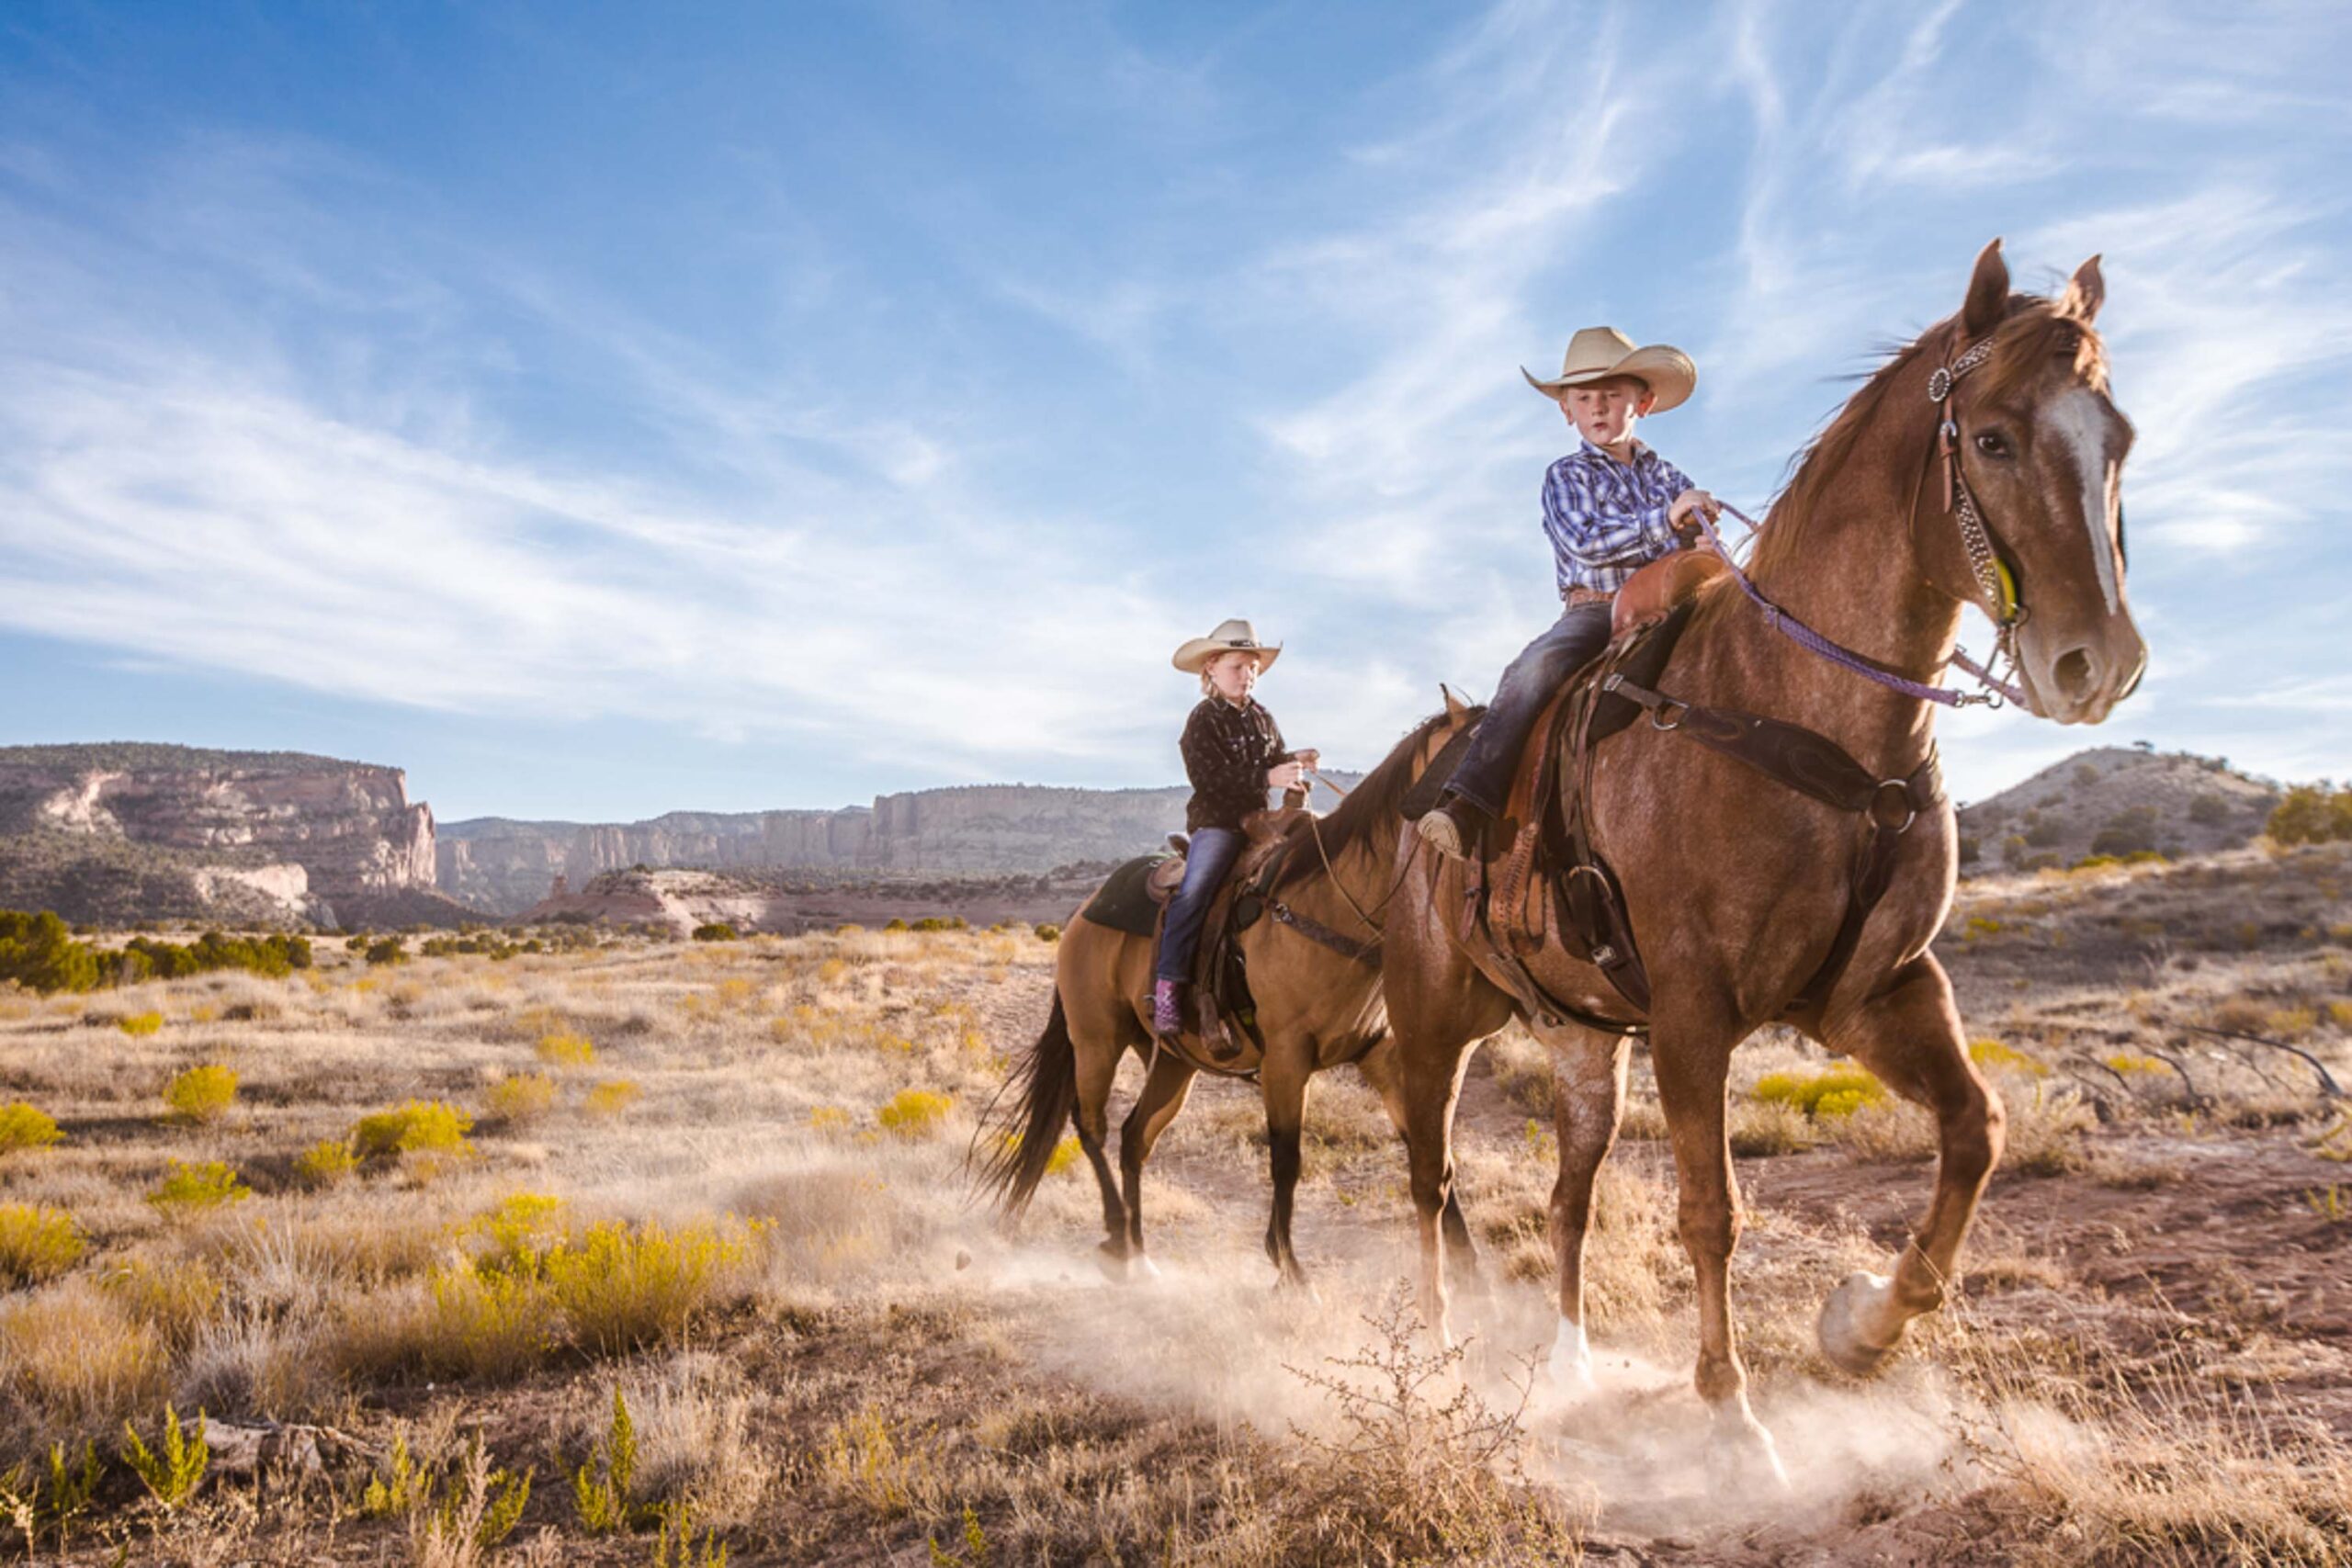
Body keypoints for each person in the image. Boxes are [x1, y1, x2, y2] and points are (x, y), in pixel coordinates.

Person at [1417, 326, 1720, 859]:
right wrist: (1664, 521)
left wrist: (1705, 535)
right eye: (1584, 398)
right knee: (1536, 669)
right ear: (1567, 411)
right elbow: (1585, 541)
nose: (1598, 408)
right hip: (1598, 610)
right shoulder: (1566, 475)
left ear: (1641, 403)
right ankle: (1470, 800)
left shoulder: (1671, 476)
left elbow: (1697, 544)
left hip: (1675, 606)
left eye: (1612, 396)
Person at [1158, 618, 1316, 1040]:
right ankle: (1168, 986)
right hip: (1219, 824)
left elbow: (1274, 756)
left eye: (1252, 668)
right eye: (1238, 666)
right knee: (1196, 892)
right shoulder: (1203, 719)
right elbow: (1208, 778)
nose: (1247, 675)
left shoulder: (1263, 718)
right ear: (1211, 667)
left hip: (1261, 824)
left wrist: (1294, 761)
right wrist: (1268, 778)